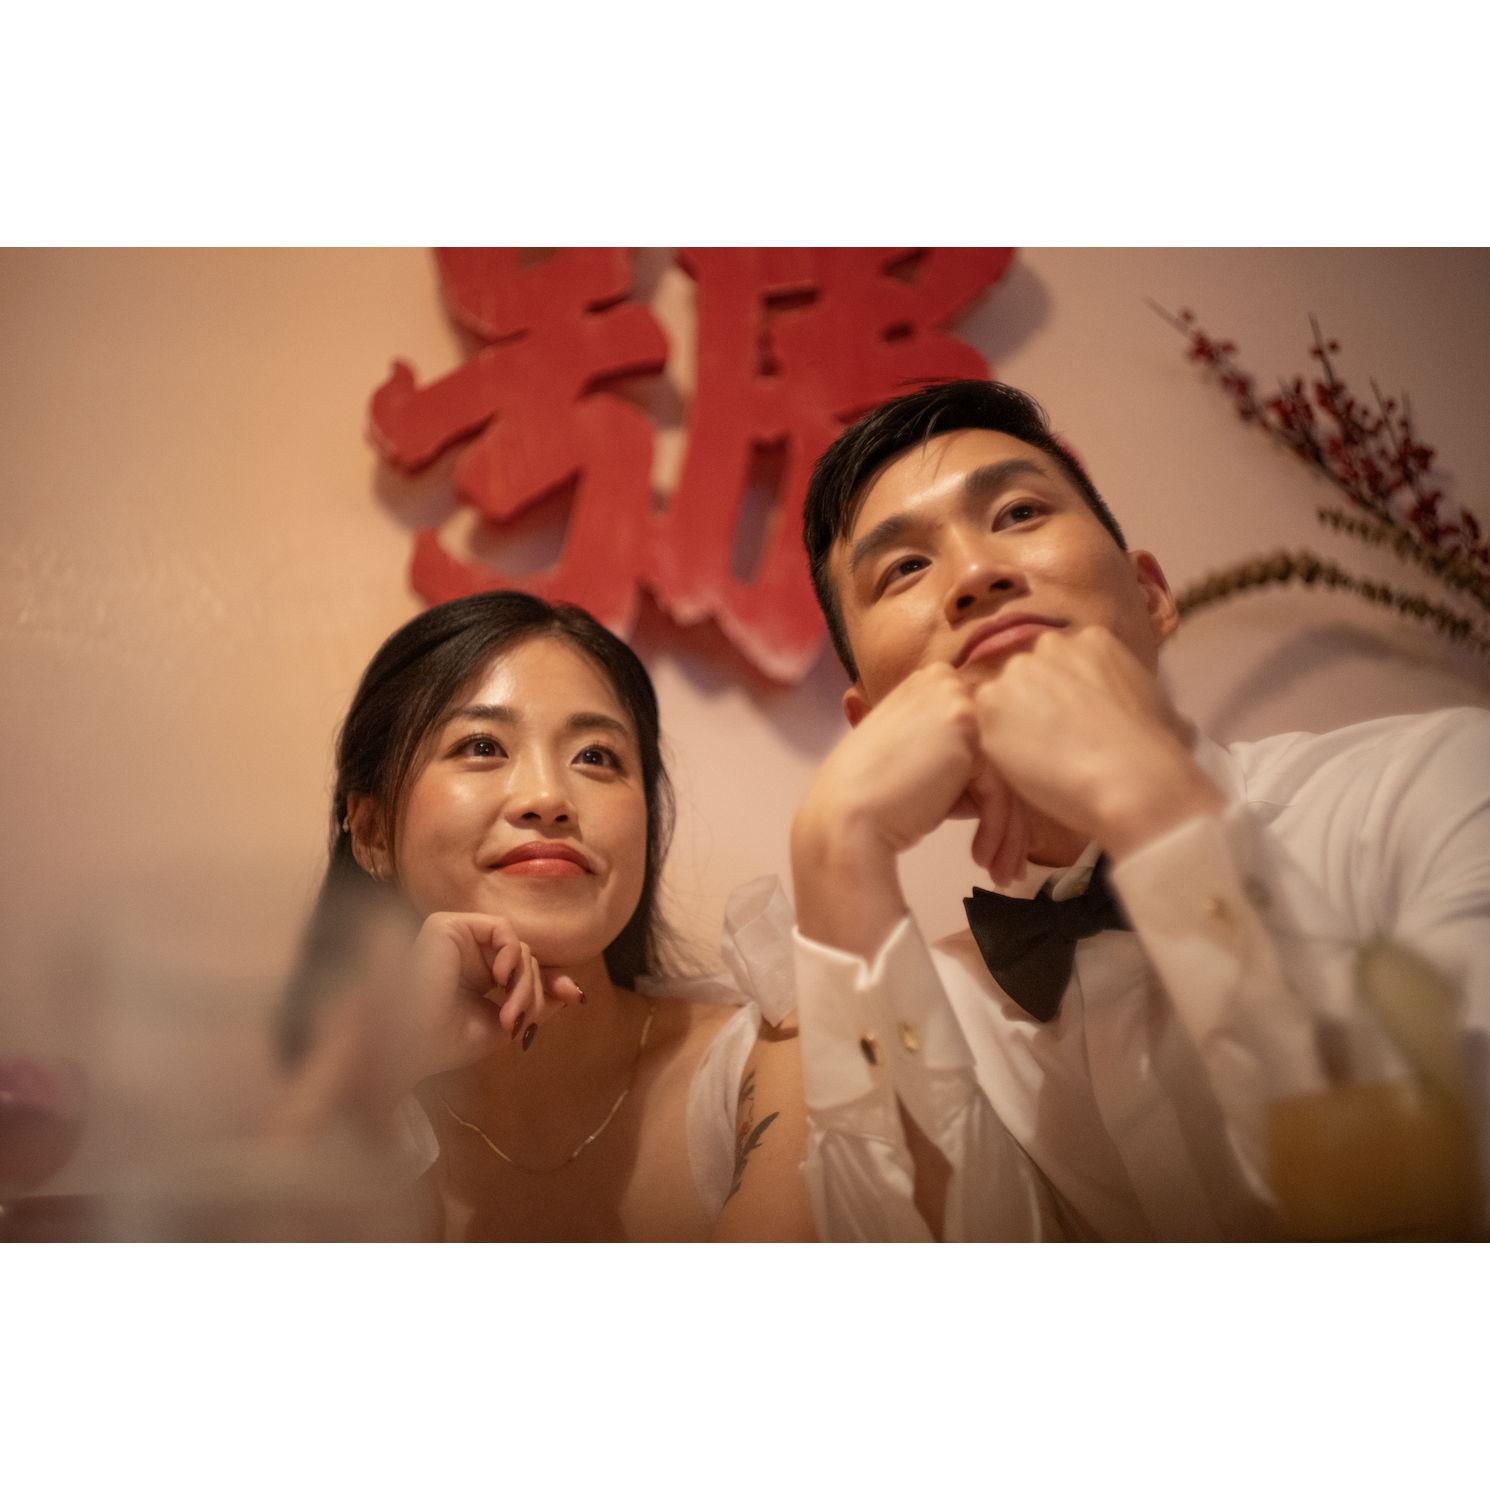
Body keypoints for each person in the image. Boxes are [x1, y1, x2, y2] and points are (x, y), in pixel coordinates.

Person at [789, 378, 1489, 1241]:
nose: (974, 575)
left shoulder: (1440, 781)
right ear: (871, 725)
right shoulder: (940, 1009)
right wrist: (833, 857)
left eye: (1018, 513)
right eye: (904, 569)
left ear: (1150, 596)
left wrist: (1155, 807)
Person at [277, 591, 814, 1241]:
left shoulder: (772, 1056)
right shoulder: (287, 1101)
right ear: (370, 833)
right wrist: (376, 1077)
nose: (548, 797)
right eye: (481, 745)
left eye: (595, 756)